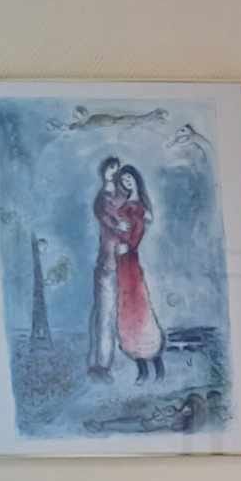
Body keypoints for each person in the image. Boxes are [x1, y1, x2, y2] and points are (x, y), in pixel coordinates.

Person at [113, 165, 165, 382]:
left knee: (139, 306)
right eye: (123, 181)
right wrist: (119, 236)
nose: (127, 183)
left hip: (130, 260)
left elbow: (137, 232)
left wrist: (128, 245)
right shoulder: (124, 206)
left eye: (129, 179)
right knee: (126, 309)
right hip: (122, 262)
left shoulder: (140, 208)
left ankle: (157, 365)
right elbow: (120, 230)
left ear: (136, 179)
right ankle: (142, 368)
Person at [87, 155, 124, 379]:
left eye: (116, 169)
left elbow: (133, 216)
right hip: (108, 262)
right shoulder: (102, 199)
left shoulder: (121, 195)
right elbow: (109, 220)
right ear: (103, 170)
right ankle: (101, 366)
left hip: (120, 262)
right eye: (111, 167)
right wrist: (120, 226)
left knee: (107, 313)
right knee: (104, 314)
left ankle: (99, 363)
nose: (114, 171)